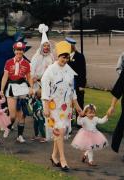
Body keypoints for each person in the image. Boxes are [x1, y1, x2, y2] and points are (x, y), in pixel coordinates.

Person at [41, 41, 83, 171]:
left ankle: (54, 156)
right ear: (58, 55)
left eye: (67, 57)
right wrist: (46, 106)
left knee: (61, 132)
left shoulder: (69, 71)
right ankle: (63, 159)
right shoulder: (50, 70)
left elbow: (72, 90)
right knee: (59, 131)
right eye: (62, 57)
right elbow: (45, 89)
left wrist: (77, 106)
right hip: (53, 107)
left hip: (66, 107)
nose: (65, 60)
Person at [0, 42, 33, 143]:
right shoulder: (8, 62)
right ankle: (8, 126)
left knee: (22, 114)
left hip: (22, 87)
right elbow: (5, 76)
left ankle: (20, 135)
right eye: (17, 50)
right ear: (14, 51)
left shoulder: (26, 63)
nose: (19, 51)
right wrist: (2, 89)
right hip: (11, 88)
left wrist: (31, 87)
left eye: (21, 50)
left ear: (23, 51)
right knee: (12, 115)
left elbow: (29, 77)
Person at [31, 24, 54, 92]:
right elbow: (32, 68)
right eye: (44, 46)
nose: (46, 47)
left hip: (48, 82)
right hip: (37, 83)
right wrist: (33, 78)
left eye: (48, 46)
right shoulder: (36, 56)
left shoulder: (51, 56)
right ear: (41, 47)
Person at [65, 37, 86, 113]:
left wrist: (82, 85)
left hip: (77, 83)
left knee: (79, 102)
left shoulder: (80, 56)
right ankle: (69, 120)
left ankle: (79, 121)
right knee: (66, 101)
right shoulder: (64, 56)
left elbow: (83, 72)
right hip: (66, 83)